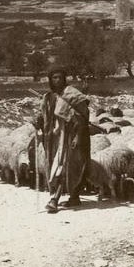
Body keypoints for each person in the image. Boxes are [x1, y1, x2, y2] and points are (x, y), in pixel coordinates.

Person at [34, 67, 91, 213]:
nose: (57, 80)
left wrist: (78, 136)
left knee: (65, 167)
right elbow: (45, 115)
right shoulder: (49, 96)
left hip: (71, 136)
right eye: (54, 78)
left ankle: (55, 199)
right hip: (54, 138)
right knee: (56, 165)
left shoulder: (72, 94)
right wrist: (38, 121)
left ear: (64, 79)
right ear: (50, 80)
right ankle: (74, 198)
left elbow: (84, 116)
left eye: (60, 77)